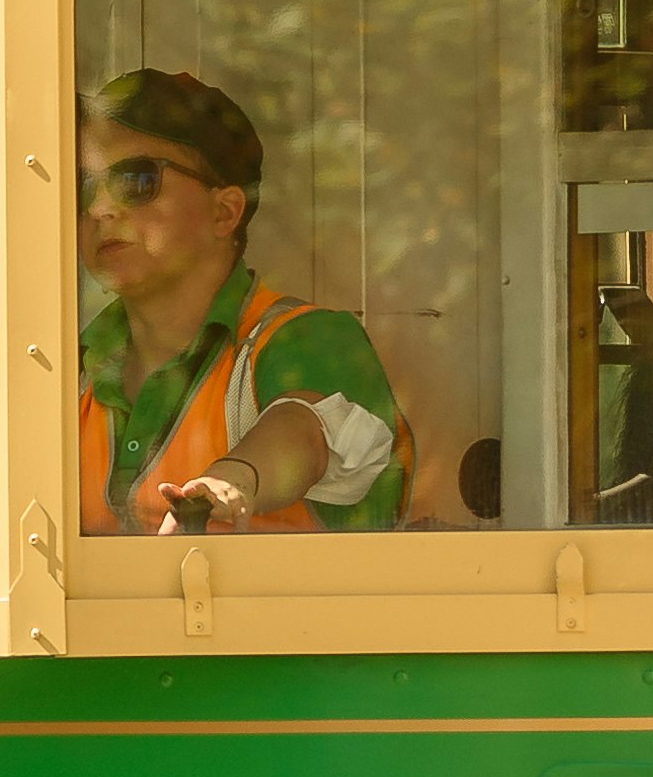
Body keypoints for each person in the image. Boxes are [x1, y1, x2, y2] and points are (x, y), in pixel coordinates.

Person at [77, 67, 408, 533]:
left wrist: (233, 480)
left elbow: (307, 430)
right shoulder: (69, 368)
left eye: (134, 180)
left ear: (224, 211)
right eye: (82, 187)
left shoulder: (306, 339)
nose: (98, 209)